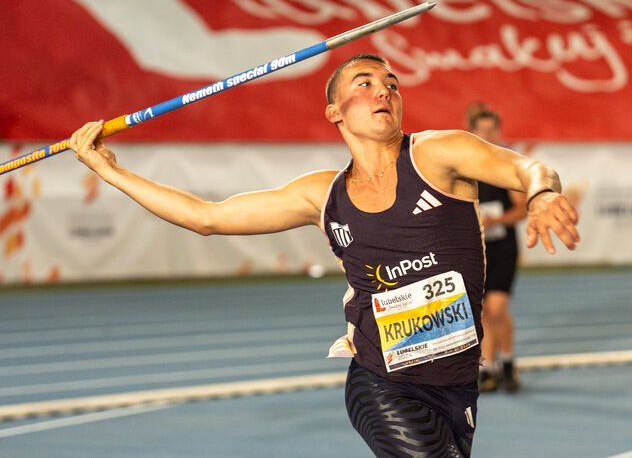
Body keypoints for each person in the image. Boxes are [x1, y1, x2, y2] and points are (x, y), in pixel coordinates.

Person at [69, 53, 580, 458]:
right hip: (381, 383)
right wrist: (111, 171)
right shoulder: (322, 195)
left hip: (457, 382)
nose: (384, 89)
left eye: (392, 83)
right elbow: (208, 217)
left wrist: (543, 195)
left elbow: (527, 168)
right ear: (334, 111)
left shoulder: (439, 153)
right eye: (364, 82)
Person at [465, 104, 526, 393]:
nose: (488, 135)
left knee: (498, 309)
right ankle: (488, 368)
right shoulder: (463, 167)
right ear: (472, 132)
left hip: (502, 247)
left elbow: (522, 210)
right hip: (475, 249)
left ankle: (509, 363)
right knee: (482, 312)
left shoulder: (508, 165)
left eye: (493, 130)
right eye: (482, 130)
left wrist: (497, 219)